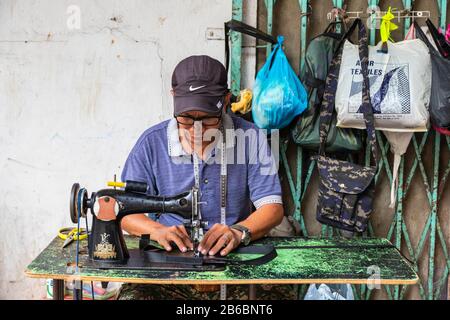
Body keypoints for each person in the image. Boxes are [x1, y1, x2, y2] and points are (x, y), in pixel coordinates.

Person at [117, 55, 296, 300]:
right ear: (174, 100)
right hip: (170, 264)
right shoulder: (152, 143)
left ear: (224, 101)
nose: (197, 130)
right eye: (187, 119)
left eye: (207, 118)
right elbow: (125, 212)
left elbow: (272, 208)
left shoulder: (251, 138)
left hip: (235, 260)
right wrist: (157, 230)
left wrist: (238, 232)